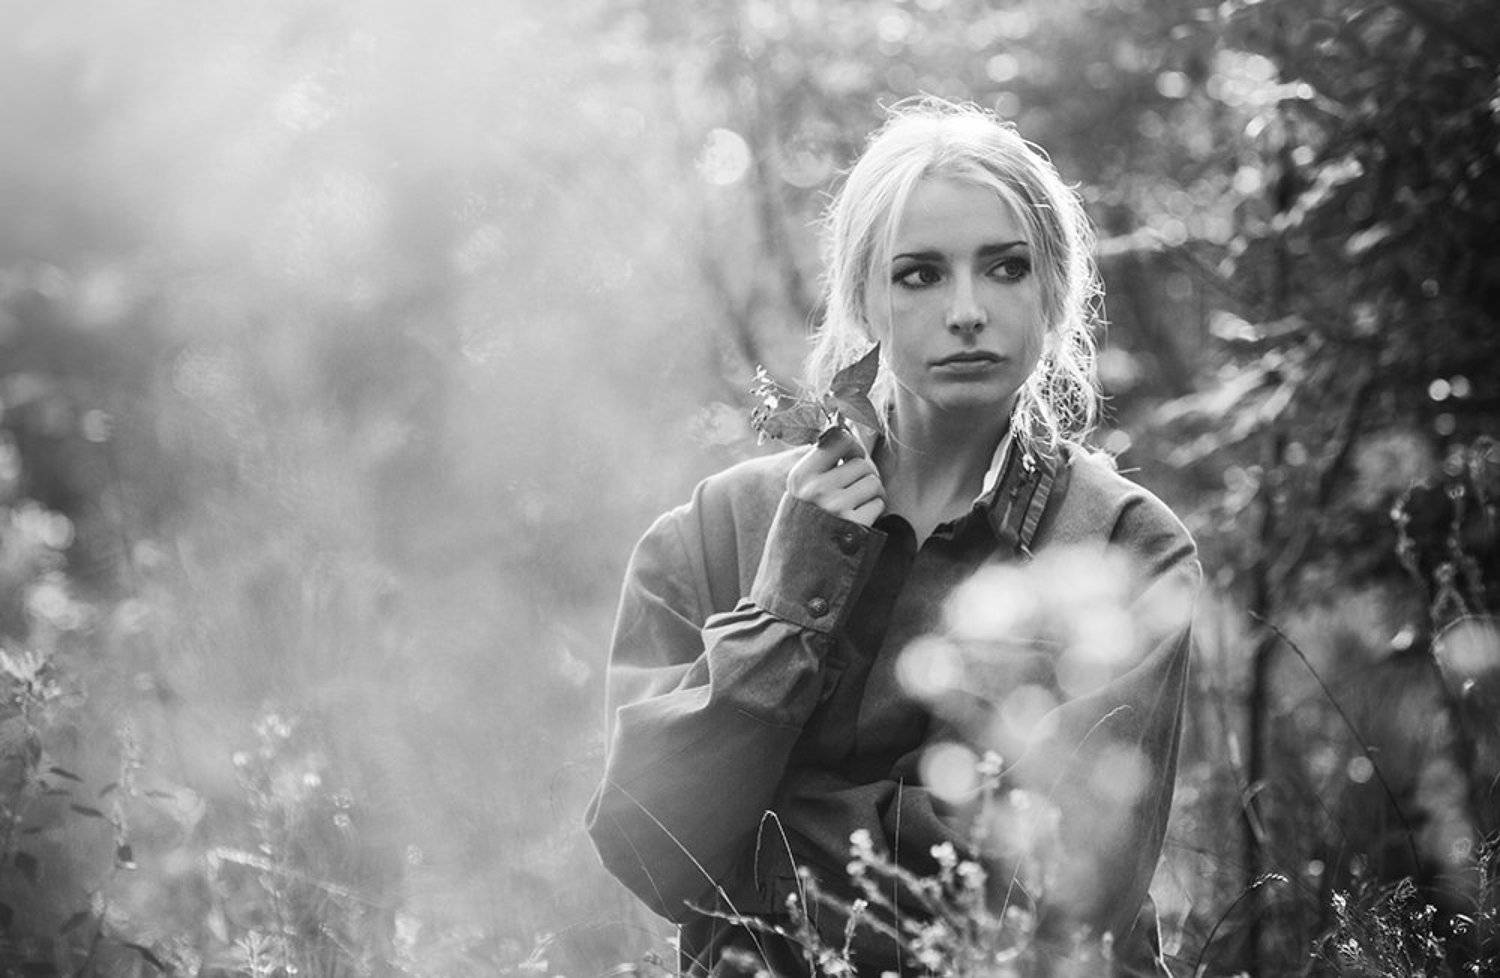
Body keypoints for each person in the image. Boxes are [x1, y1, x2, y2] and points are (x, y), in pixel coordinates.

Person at [586, 98, 1199, 977]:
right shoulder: (714, 532)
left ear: (1055, 292)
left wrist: (751, 852)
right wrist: (789, 600)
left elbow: (1054, 891)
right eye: (919, 275)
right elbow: (648, 842)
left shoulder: (1125, 546)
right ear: (863, 301)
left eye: (1006, 268)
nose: (967, 310)